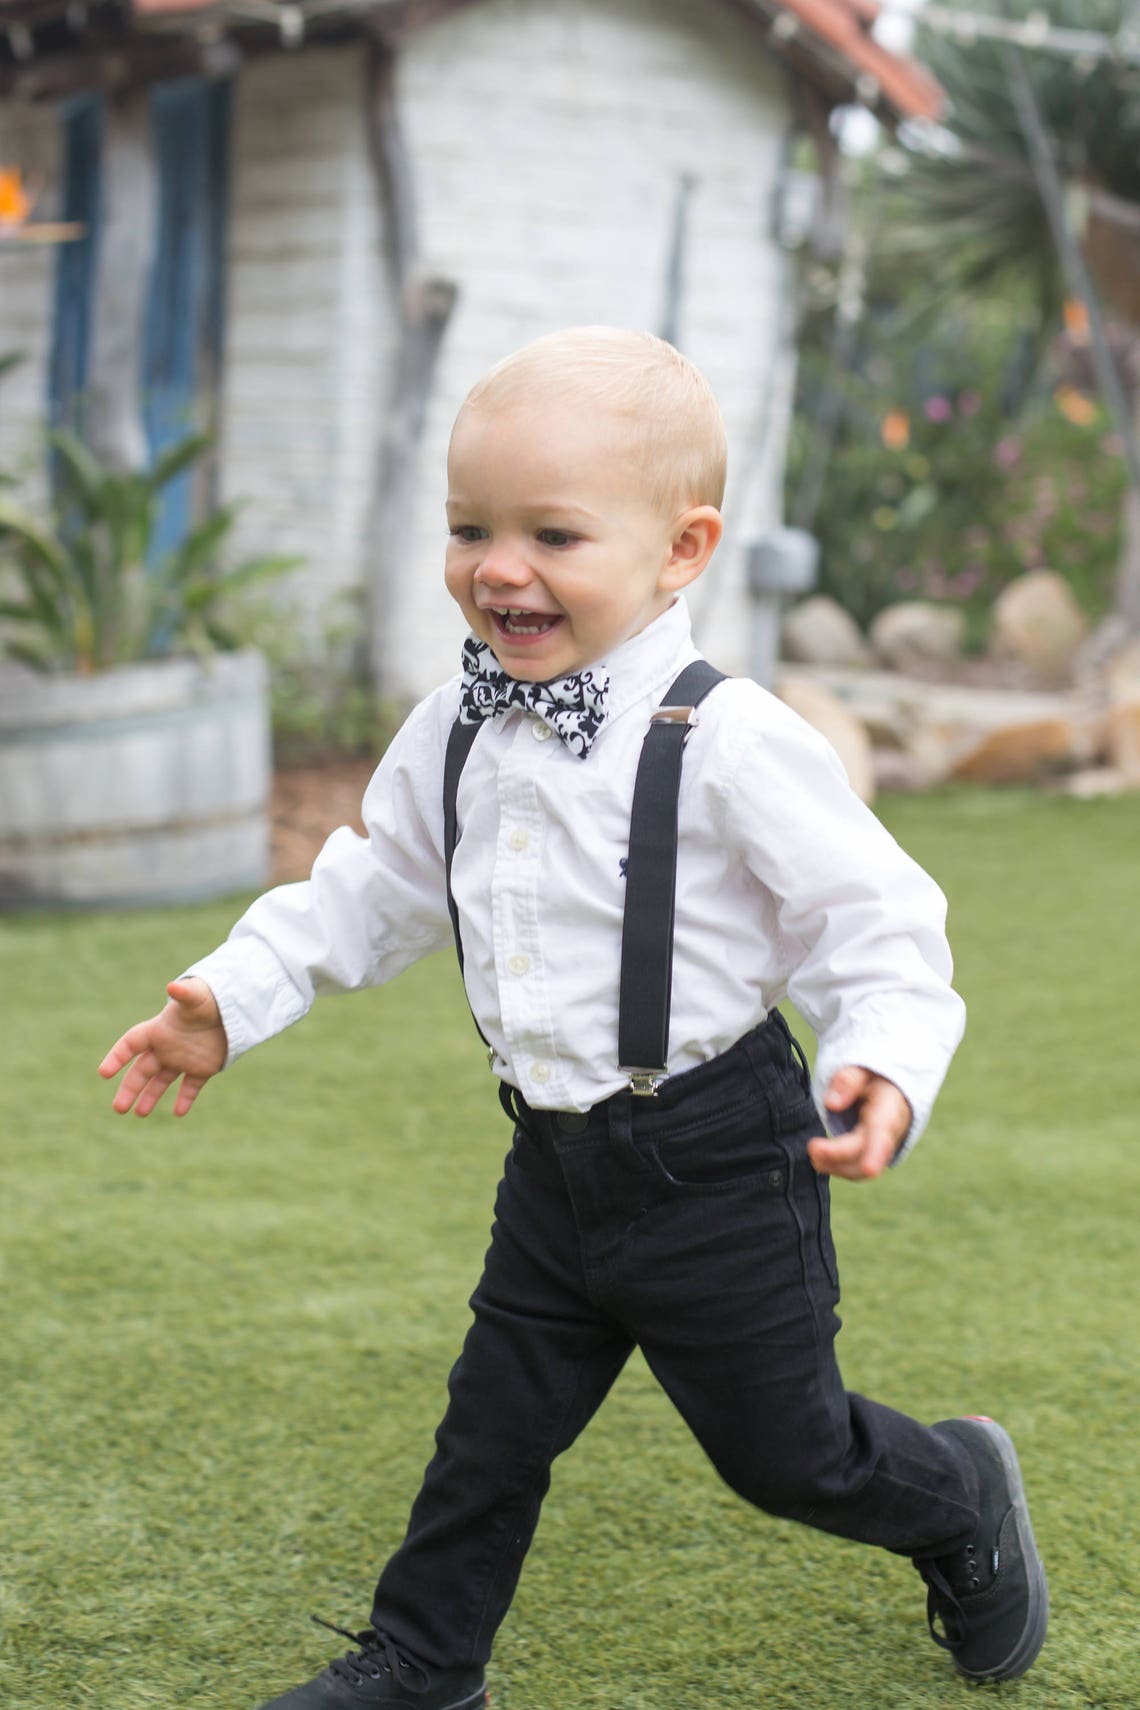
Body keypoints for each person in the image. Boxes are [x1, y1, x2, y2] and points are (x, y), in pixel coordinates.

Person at [100, 327, 1047, 1709]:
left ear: (681, 549)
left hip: (720, 1156)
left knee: (788, 1456)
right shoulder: (458, 725)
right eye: (469, 527)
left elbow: (879, 923)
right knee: (492, 1427)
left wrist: (880, 1065)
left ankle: (958, 1491)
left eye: (552, 532)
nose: (497, 565)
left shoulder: (731, 739)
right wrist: (228, 1003)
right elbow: (370, 886)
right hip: (553, 1162)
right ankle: (425, 1662)